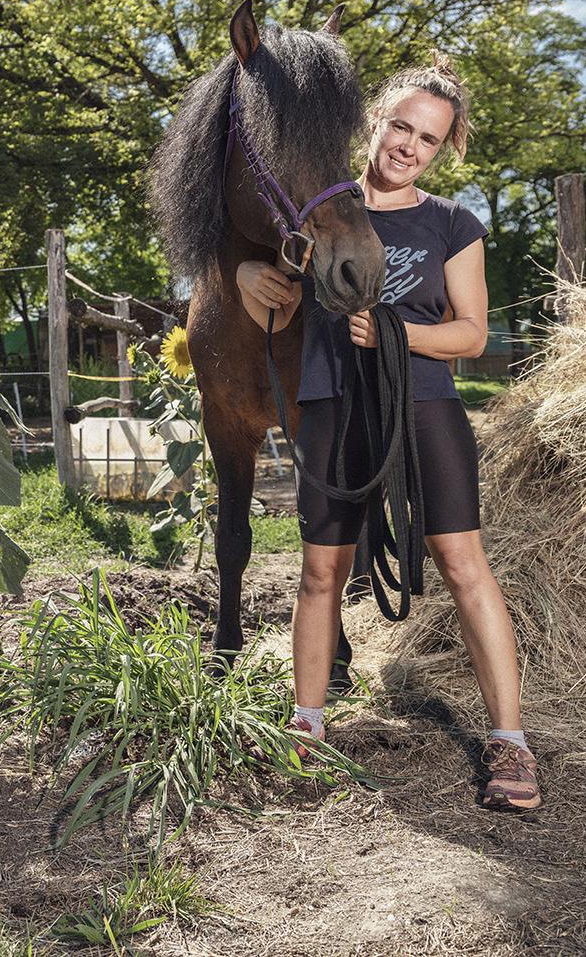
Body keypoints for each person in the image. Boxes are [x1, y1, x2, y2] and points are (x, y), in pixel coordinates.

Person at [233, 54, 541, 812]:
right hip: (333, 401)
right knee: (319, 573)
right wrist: (244, 277)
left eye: (428, 138)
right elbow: (250, 266)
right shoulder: (318, 202)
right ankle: (307, 726)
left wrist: (397, 332)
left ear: (442, 151)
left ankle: (511, 741)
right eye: (400, 125)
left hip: (426, 405)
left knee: (463, 564)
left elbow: (470, 334)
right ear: (374, 121)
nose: (408, 145)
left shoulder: (451, 224)